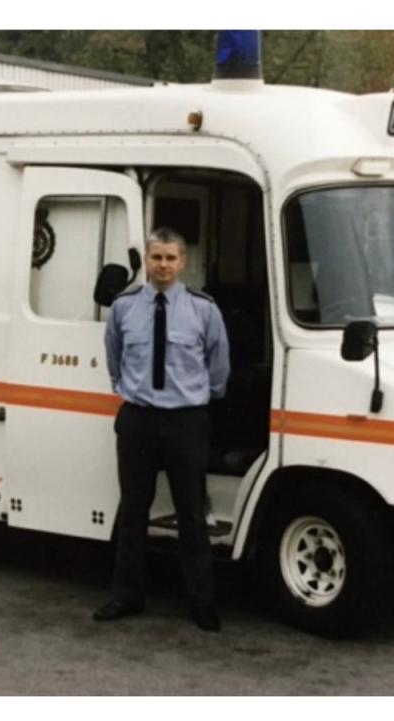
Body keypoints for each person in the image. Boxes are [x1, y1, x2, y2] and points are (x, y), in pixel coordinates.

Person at [94, 227, 231, 632]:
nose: (164, 265)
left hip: (185, 422)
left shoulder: (204, 310)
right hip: (138, 419)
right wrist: (125, 389)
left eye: (171, 258)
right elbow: (114, 355)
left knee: (191, 514)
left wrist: (199, 398)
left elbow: (218, 365)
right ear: (148, 261)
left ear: (183, 262)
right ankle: (126, 595)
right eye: (157, 258)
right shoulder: (124, 307)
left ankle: (202, 603)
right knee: (133, 511)